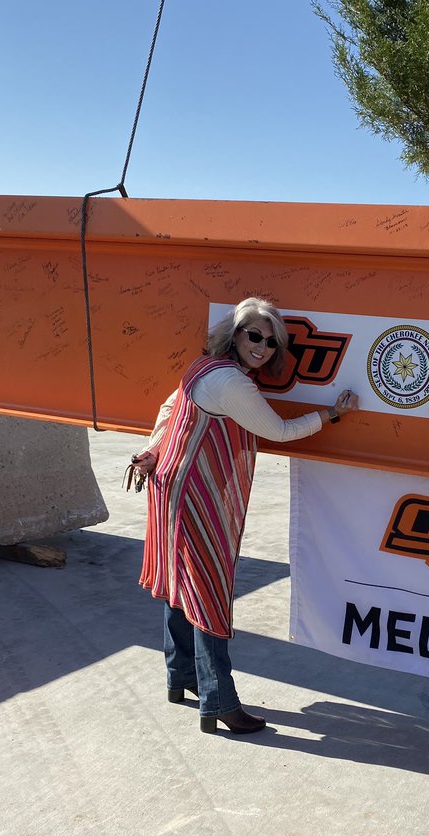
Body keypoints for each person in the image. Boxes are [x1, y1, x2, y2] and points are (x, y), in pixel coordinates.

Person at [131, 297, 358, 735]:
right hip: (196, 493)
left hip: (170, 486)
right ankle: (219, 701)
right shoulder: (233, 385)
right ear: (234, 334)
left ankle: (181, 679)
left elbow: (167, 409)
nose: (263, 346)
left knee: (180, 585)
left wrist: (150, 450)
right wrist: (330, 414)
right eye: (255, 335)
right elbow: (280, 431)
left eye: (272, 342)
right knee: (208, 591)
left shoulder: (202, 367)